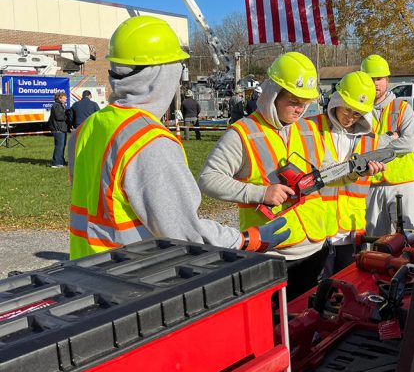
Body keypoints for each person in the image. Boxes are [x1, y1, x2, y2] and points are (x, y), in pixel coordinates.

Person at [68, 16, 284, 260]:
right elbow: (184, 232)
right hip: (133, 276)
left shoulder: (88, 127)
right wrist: (247, 239)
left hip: (86, 270)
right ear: (162, 74)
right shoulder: (149, 141)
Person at [198, 52, 330, 300]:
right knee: (276, 328)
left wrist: (352, 172)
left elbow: (326, 172)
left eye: (305, 101)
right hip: (273, 254)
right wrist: (261, 193)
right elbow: (208, 178)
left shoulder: (309, 129)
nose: (300, 108)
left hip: (314, 247)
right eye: (293, 100)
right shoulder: (242, 133)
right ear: (272, 93)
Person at [307, 71, 386, 275]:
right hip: (317, 227)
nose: (350, 117)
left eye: (357, 113)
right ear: (336, 101)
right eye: (348, 109)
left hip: (351, 228)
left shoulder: (370, 139)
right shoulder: (311, 128)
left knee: (346, 287)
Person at [361, 54, 414, 237]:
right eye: (370, 79)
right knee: (374, 244)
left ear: (387, 79)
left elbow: (409, 144)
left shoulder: (402, 108)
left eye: (379, 79)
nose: (375, 84)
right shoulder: (358, 112)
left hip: (404, 184)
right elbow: (356, 147)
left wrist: (372, 146)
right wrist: (389, 138)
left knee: (411, 240)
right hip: (372, 186)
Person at [49, 91, 69, 168]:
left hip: (62, 128)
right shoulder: (56, 106)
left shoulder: (61, 105)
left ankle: (61, 161)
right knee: (59, 146)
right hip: (58, 128)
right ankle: (55, 163)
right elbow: (59, 117)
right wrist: (67, 115)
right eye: (64, 97)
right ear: (60, 97)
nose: (66, 98)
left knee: (62, 145)